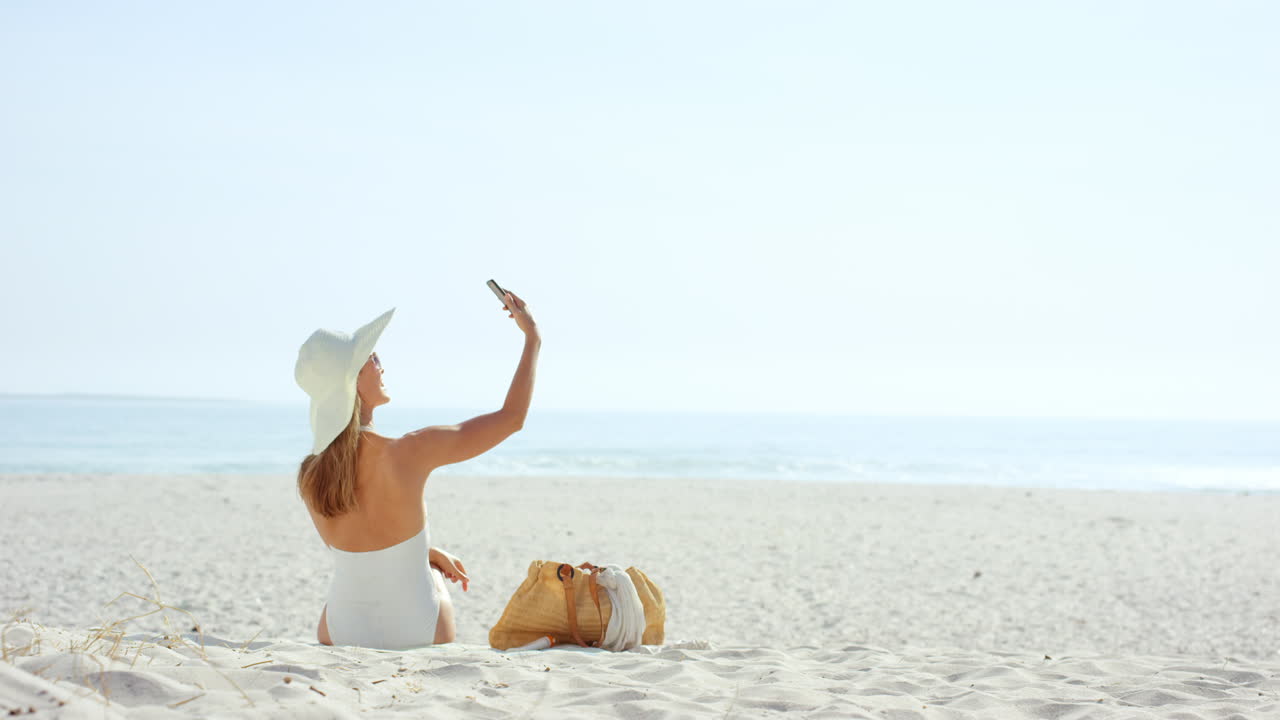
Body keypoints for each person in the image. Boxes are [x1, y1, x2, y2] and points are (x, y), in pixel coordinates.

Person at [292, 289, 540, 649]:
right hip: (419, 630)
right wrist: (532, 337)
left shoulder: (310, 474)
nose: (381, 364)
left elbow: (362, 546)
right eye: (371, 358)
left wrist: (426, 550)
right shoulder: (408, 451)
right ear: (352, 385)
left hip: (340, 631)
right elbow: (511, 418)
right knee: (430, 578)